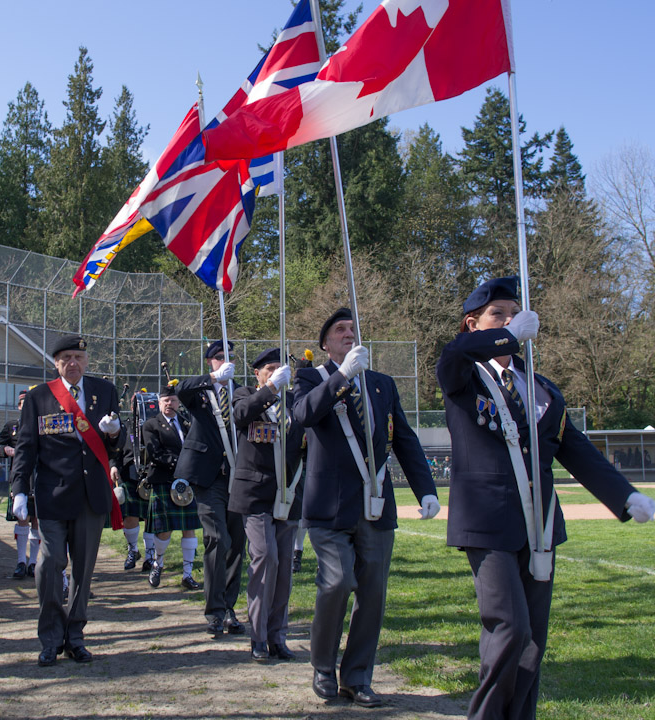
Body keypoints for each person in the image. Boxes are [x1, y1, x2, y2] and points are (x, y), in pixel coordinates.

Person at [436, 276, 655, 720]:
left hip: (540, 524)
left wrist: (625, 496)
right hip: (487, 523)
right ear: (472, 324)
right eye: (498, 313)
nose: (510, 319)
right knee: (509, 627)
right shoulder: (465, 377)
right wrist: (506, 336)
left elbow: (576, 449)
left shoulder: (542, 387)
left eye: (514, 313)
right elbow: (454, 354)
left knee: (533, 641)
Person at [293, 308, 440, 708]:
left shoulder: (381, 384)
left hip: (375, 506)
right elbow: (304, 414)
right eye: (340, 330)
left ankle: (357, 677)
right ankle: (323, 667)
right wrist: (342, 377)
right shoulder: (311, 377)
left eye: (352, 329)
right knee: (337, 582)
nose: (348, 333)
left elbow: (405, 439)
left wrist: (425, 489)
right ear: (325, 343)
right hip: (329, 507)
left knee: (372, 596)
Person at [10, 335, 125, 667]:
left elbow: (116, 446)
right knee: (50, 564)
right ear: (56, 363)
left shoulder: (104, 391)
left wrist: (115, 432)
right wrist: (19, 489)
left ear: (86, 360)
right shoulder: (39, 398)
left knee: (83, 573)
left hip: (91, 496)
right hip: (52, 495)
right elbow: (26, 447)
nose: (73, 363)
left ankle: (75, 636)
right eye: (65, 358)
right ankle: (49, 637)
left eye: (78, 356)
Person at [229, 348, 306, 661]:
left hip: (287, 493)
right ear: (258, 373)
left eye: (280, 369)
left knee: (285, 567)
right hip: (256, 494)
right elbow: (240, 414)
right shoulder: (245, 394)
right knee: (267, 558)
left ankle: (278, 636)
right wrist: (271, 389)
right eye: (269, 369)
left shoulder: (295, 402)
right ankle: (258, 636)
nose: (275, 373)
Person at [174, 340, 246, 636]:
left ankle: (229, 607)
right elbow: (180, 389)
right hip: (209, 478)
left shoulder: (240, 392)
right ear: (209, 362)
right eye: (218, 358)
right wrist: (215, 379)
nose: (224, 361)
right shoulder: (200, 391)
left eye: (229, 357)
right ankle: (214, 610)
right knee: (218, 539)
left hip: (239, 477)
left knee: (237, 544)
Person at [141, 385, 201, 589]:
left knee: (189, 528)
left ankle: (188, 574)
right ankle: (158, 563)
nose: (170, 404)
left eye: (173, 400)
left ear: (178, 403)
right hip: (164, 480)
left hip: (187, 482)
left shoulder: (186, 422)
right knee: (164, 531)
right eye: (166, 401)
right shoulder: (151, 425)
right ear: (159, 403)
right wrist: (184, 463)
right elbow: (155, 454)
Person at [0, 389, 43, 579]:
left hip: (41, 477)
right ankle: (21, 561)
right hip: (21, 477)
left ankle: (34, 563)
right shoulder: (12, 426)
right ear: (19, 406)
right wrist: (8, 450)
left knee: (37, 520)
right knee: (23, 518)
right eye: (22, 404)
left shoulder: (43, 424)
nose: (25, 407)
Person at [110, 432, 156, 572]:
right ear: (131, 407)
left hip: (151, 475)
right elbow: (114, 451)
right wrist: (113, 466)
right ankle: (133, 550)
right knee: (130, 517)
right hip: (128, 474)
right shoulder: (125, 427)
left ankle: (150, 556)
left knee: (150, 517)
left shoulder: (154, 425)